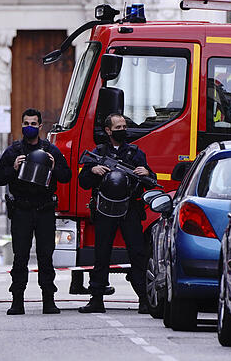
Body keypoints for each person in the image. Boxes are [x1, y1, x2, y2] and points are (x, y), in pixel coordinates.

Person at [0, 108, 71, 315]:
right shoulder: (14, 151)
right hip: (21, 211)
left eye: (33, 124)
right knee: (20, 257)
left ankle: (49, 301)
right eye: (26, 123)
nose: (29, 127)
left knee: (46, 256)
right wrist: (14, 169)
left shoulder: (49, 150)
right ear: (21, 125)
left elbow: (66, 176)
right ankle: (17, 300)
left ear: (40, 126)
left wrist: (53, 167)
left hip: (44, 209)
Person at [77, 112, 155, 314]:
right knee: (102, 254)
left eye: (124, 127)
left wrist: (146, 173)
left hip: (129, 209)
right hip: (105, 210)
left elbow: (150, 180)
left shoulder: (135, 153)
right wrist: (93, 170)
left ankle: (144, 299)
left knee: (137, 253)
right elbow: (83, 181)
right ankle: (96, 299)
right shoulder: (99, 152)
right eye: (118, 128)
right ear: (108, 130)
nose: (122, 130)